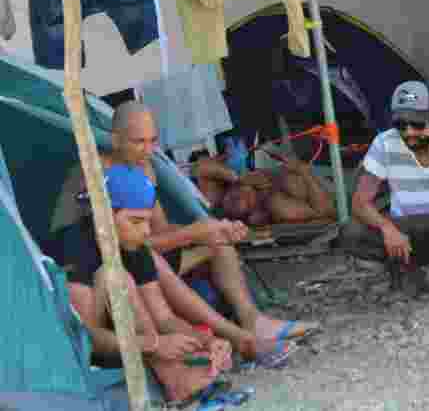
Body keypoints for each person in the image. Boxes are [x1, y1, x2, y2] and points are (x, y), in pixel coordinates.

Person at [51, 101, 318, 345]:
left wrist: (213, 231)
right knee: (155, 257)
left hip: (142, 258)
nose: (148, 150)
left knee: (218, 244)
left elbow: (158, 230)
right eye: (138, 142)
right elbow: (126, 244)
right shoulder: (96, 173)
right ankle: (236, 337)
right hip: (101, 269)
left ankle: (253, 321)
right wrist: (194, 231)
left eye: (153, 141)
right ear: (116, 140)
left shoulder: (145, 168)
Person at [65, 165, 236, 403]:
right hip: (75, 353)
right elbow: (87, 338)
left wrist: (208, 341)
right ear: (102, 215)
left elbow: (164, 318)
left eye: (147, 220)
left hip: (125, 340)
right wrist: (154, 345)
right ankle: (175, 380)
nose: (146, 231)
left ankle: (177, 378)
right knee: (114, 276)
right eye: (135, 221)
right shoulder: (73, 249)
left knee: (123, 279)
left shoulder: (134, 245)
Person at [340, 81, 429, 303]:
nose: (408, 132)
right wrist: (387, 227)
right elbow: (360, 203)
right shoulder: (384, 143)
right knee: (352, 232)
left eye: (417, 123)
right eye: (400, 124)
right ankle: (407, 274)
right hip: (406, 229)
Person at [200, 156, 337, 227]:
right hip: (326, 192)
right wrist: (236, 178)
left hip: (329, 198)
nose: (236, 196)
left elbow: (322, 210)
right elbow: (201, 167)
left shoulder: (277, 202)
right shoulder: (276, 202)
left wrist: (303, 171)